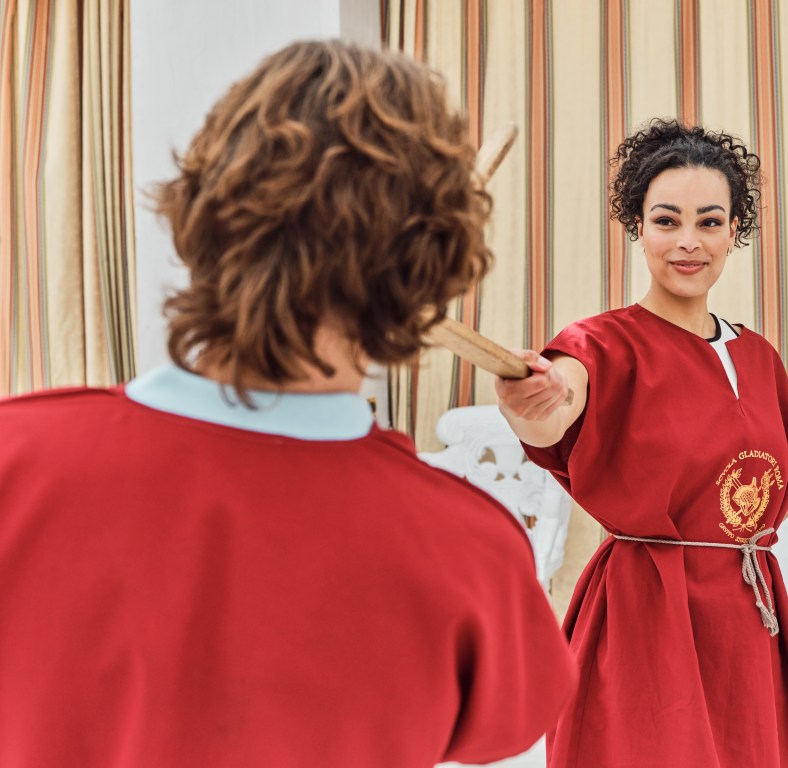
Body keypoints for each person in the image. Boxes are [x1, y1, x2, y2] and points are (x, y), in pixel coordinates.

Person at [0, 41, 574, 768]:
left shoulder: (12, 461)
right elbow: (506, 727)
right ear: (430, 274)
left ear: (201, 215)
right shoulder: (474, 554)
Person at [495, 120, 788, 767]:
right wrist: (526, 404)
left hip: (744, 621)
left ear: (734, 231)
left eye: (708, 222)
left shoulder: (759, 358)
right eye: (666, 220)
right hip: (646, 614)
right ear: (637, 228)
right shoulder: (601, 345)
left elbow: (758, 514)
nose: (687, 242)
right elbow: (554, 409)